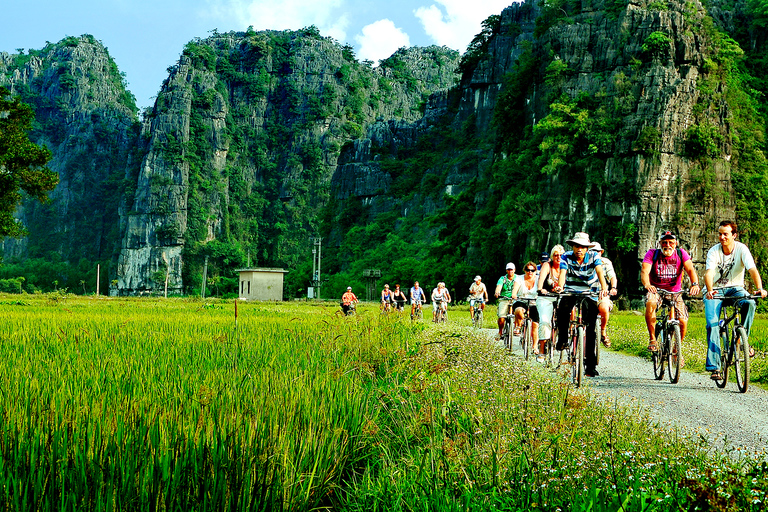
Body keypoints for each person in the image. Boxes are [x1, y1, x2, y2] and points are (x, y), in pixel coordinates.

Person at [703, 221, 767, 380]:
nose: (722, 237)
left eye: (726, 234)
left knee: (750, 302)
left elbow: (752, 269)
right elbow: (709, 273)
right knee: (712, 324)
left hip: (736, 288)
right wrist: (710, 290)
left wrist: (759, 287)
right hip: (715, 290)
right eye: (720, 234)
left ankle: (740, 339)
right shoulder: (713, 251)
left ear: (734, 235)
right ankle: (715, 367)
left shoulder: (741, 249)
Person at [555, 232, 609, 377]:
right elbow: (562, 273)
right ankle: (563, 338)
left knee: (591, 329)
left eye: (583, 247)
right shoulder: (566, 256)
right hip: (571, 290)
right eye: (577, 246)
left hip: (589, 292)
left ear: (587, 248)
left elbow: (599, 272)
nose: (579, 249)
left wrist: (604, 287)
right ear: (572, 246)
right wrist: (560, 286)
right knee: (562, 308)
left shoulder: (594, 256)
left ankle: (590, 366)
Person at [640, 231, 700, 360]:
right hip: (657, 290)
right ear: (660, 243)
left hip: (675, 292)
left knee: (683, 321)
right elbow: (645, 271)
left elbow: (690, 269)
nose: (668, 245)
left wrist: (694, 284)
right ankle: (652, 339)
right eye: (665, 242)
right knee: (650, 303)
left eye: (671, 242)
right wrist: (647, 285)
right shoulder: (652, 253)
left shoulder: (681, 253)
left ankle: (676, 350)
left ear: (675, 244)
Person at [537, 245, 565, 354]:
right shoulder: (547, 265)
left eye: (561, 255)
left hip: (562, 297)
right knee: (544, 321)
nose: (558, 257)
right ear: (552, 257)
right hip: (546, 297)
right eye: (556, 255)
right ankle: (542, 349)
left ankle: (566, 338)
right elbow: (541, 279)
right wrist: (540, 288)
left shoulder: (566, 266)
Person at [511, 261, 541, 360]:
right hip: (521, 300)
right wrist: (514, 294)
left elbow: (541, 288)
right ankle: (519, 325)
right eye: (528, 270)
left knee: (535, 325)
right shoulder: (519, 278)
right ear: (525, 270)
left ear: (535, 271)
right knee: (519, 310)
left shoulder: (538, 279)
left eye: (532, 270)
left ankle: (535, 346)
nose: (530, 272)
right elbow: (515, 289)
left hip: (534, 302)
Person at [591, 242, 618, 347]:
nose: (595, 253)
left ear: (601, 252)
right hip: (586, 292)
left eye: (597, 251)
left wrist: (613, 287)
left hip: (602, 292)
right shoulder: (584, 261)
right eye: (592, 251)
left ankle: (603, 331)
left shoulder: (606, 262)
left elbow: (612, 276)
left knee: (604, 308)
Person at [494, 262, 517, 339]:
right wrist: (497, 292)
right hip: (504, 298)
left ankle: (517, 328)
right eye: (508, 270)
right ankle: (500, 332)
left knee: (518, 312)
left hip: (515, 299)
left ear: (514, 270)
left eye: (511, 270)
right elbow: (499, 286)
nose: (510, 271)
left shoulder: (518, 278)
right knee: (501, 316)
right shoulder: (502, 279)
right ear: (506, 271)